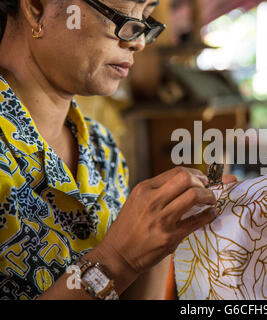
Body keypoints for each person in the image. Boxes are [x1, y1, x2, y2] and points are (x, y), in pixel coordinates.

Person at [0, 0, 236, 300]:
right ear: (36, 8)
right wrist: (118, 259)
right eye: (123, 14)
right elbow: (118, 264)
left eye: (146, 17)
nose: (138, 42)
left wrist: (162, 238)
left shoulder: (102, 149)